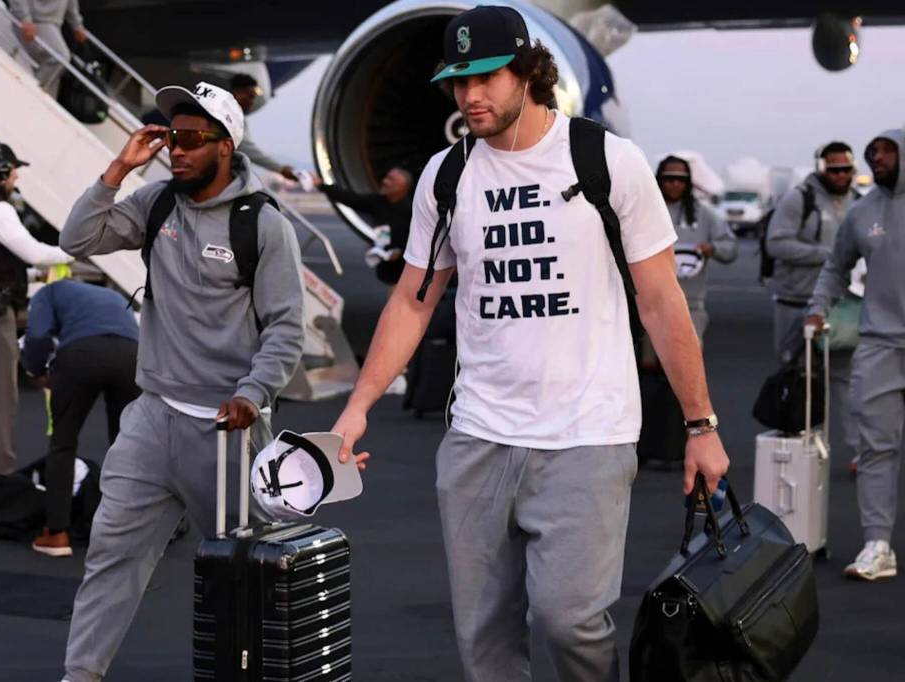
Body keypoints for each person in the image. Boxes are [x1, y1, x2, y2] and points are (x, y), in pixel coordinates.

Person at [331, 7, 729, 681]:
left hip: (588, 434)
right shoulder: (446, 176)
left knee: (568, 620)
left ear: (527, 72)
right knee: (484, 635)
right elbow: (412, 300)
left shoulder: (607, 161)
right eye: (458, 82)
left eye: (485, 77)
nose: (469, 96)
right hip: (479, 436)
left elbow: (662, 301)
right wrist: (358, 405)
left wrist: (701, 426)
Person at [55, 81, 308, 682]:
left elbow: (286, 328)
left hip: (227, 430)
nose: (177, 149)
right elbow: (77, 239)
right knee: (110, 556)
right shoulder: (156, 202)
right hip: (152, 418)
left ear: (226, 146)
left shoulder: (262, 224)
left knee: (249, 576)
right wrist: (118, 170)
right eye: (172, 136)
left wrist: (252, 395)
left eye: (192, 138)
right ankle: (79, 676)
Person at [807, 128, 905, 582]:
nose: (877, 158)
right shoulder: (863, 212)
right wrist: (817, 308)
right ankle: (878, 545)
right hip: (880, 344)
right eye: (874, 152)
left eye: (887, 151)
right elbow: (835, 267)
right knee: (875, 449)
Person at [0, 140, 72, 492]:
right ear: (1, 169)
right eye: (14, 169)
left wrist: (27, 276)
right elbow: (34, 252)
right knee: (2, 401)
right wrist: (75, 250)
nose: (17, 176)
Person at [20, 276, 140, 558]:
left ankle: (56, 533)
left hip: (81, 353)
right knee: (126, 448)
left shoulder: (47, 292)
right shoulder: (111, 295)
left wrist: (36, 371)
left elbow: (37, 336)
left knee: (63, 443)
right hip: (131, 355)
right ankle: (127, 533)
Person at [767, 141, 859, 365]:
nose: (841, 175)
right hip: (797, 300)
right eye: (835, 170)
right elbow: (776, 244)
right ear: (821, 168)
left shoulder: (859, 202)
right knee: (794, 369)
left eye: (846, 169)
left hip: (844, 304)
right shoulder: (799, 199)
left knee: (843, 370)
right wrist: (826, 255)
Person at [656, 155, 738, 339]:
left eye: (681, 179)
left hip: (690, 306)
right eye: (669, 178)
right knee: (647, 356)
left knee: (686, 355)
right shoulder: (645, 211)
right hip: (650, 306)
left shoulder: (704, 214)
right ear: (659, 179)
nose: (675, 184)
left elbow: (731, 247)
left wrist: (713, 248)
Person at [315, 167, 414, 286]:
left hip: (407, 270)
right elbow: (351, 199)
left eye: (391, 180)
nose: (384, 181)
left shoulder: (413, 211)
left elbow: (420, 239)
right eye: (386, 178)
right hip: (388, 268)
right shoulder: (378, 203)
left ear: (402, 187)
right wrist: (321, 185)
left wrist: (402, 251)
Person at [228, 73, 299, 181]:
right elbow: (247, 149)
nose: (252, 102)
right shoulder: (231, 117)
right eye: (250, 97)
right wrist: (281, 169)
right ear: (237, 92)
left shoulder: (236, 116)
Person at [7, 0, 86, 95]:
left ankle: (35, 92)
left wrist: (77, 25)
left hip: (52, 25)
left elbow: (71, 2)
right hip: (34, 21)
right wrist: (25, 19)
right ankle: (30, 92)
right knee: (59, 56)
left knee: (56, 65)